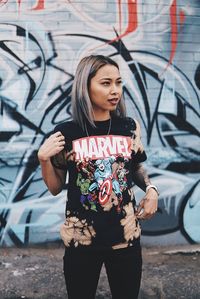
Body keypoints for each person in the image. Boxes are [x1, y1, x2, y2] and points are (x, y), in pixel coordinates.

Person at [38, 55, 159, 299]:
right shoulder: (66, 133)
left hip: (125, 237)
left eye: (118, 82)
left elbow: (134, 167)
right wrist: (43, 160)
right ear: (86, 87)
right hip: (81, 240)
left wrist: (151, 189)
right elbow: (55, 187)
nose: (115, 90)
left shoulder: (129, 127)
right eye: (105, 83)